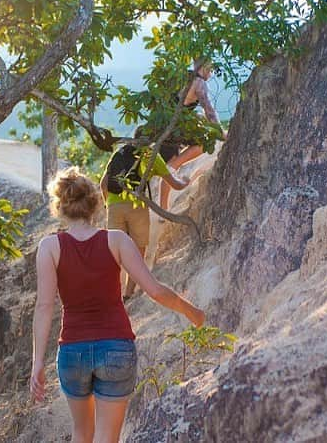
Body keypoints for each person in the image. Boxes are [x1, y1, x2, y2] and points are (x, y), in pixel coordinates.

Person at [31, 167, 205, 443]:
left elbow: (44, 307)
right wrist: (193, 313)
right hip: (116, 348)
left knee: (81, 433)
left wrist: (37, 362)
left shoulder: (49, 247)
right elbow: (156, 291)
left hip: (72, 352)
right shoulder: (116, 240)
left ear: (59, 206)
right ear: (96, 202)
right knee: (107, 438)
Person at [99, 138, 190, 299]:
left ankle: (109, 292)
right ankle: (127, 294)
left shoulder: (120, 153)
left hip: (114, 205)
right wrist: (185, 182)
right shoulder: (151, 155)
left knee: (113, 252)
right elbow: (174, 184)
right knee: (137, 250)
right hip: (137, 205)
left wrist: (108, 204)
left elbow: (103, 184)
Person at [158, 57, 222, 212]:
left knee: (169, 168)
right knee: (204, 143)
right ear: (204, 67)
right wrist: (220, 133)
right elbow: (209, 110)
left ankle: (163, 209)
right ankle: (175, 165)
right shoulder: (199, 83)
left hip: (163, 124)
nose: (211, 74)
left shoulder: (182, 76)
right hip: (174, 128)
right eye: (211, 69)